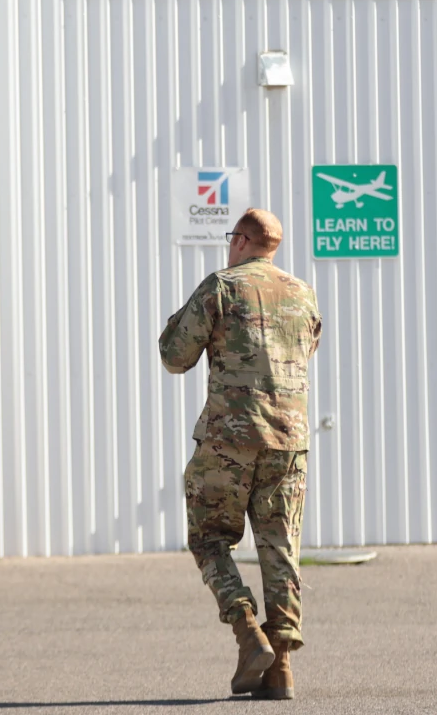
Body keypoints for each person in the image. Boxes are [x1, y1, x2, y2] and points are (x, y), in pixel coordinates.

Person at [158, 208, 322, 700]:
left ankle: (247, 631)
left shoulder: (222, 286)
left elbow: (173, 355)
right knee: (281, 547)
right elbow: (306, 350)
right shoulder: (302, 293)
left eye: (234, 239)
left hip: (229, 440)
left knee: (209, 538)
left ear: (243, 241)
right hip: (288, 443)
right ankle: (282, 668)